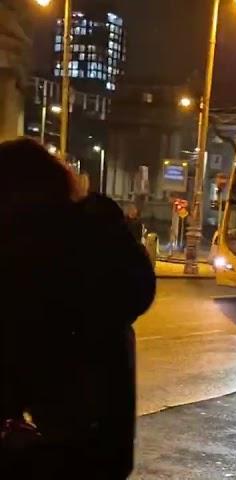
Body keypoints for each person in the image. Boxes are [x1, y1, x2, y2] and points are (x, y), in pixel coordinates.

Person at [0, 139, 156, 479]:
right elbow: (139, 291)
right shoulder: (95, 228)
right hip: (102, 434)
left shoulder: (20, 245)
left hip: (45, 439)